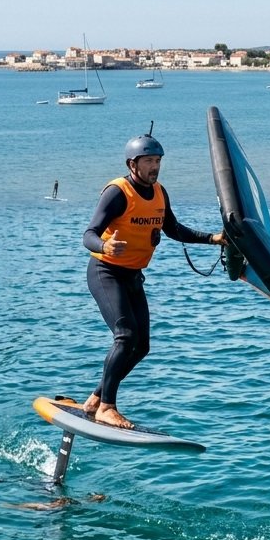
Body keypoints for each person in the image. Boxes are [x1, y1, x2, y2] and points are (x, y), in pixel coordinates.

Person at [82, 128, 225, 428]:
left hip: (132, 275)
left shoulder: (160, 193)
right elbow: (88, 235)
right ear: (132, 165)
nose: (155, 166)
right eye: (148, 160)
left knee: (142, 345)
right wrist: (105, 245)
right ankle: (107, 407)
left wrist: (212, 239)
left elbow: (173, 228)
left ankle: (96, 397)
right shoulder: (118, 193)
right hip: (106, 271)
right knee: (125, 337)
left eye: (158, 160)